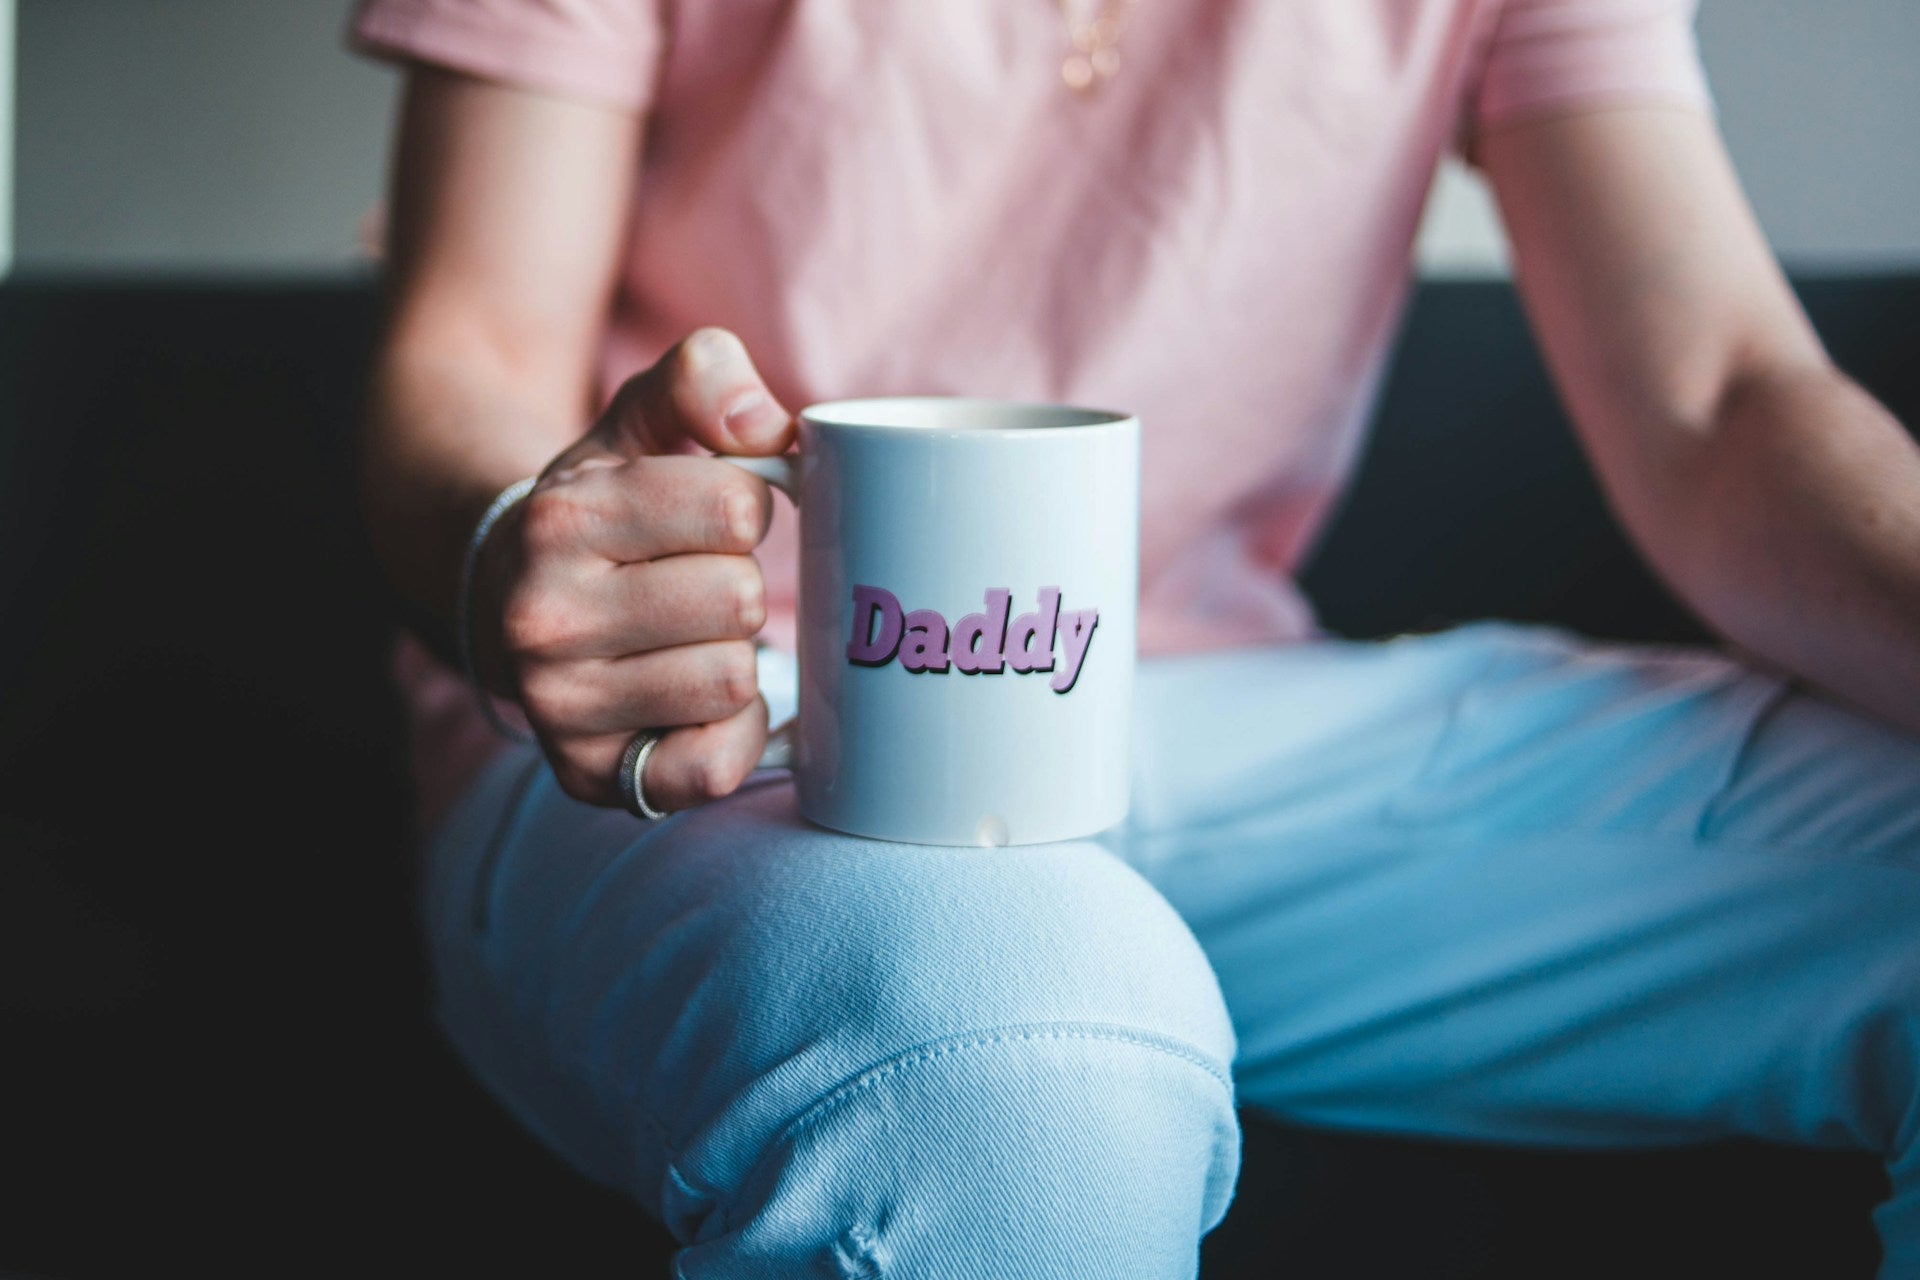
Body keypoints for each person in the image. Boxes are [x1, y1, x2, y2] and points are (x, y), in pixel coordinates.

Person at [350, 0, 1920, 1274]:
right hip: (707, 726)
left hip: (1239, 708)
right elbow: (473, 353)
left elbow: (1719, 396)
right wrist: (526, 563)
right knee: (1019, 1065)